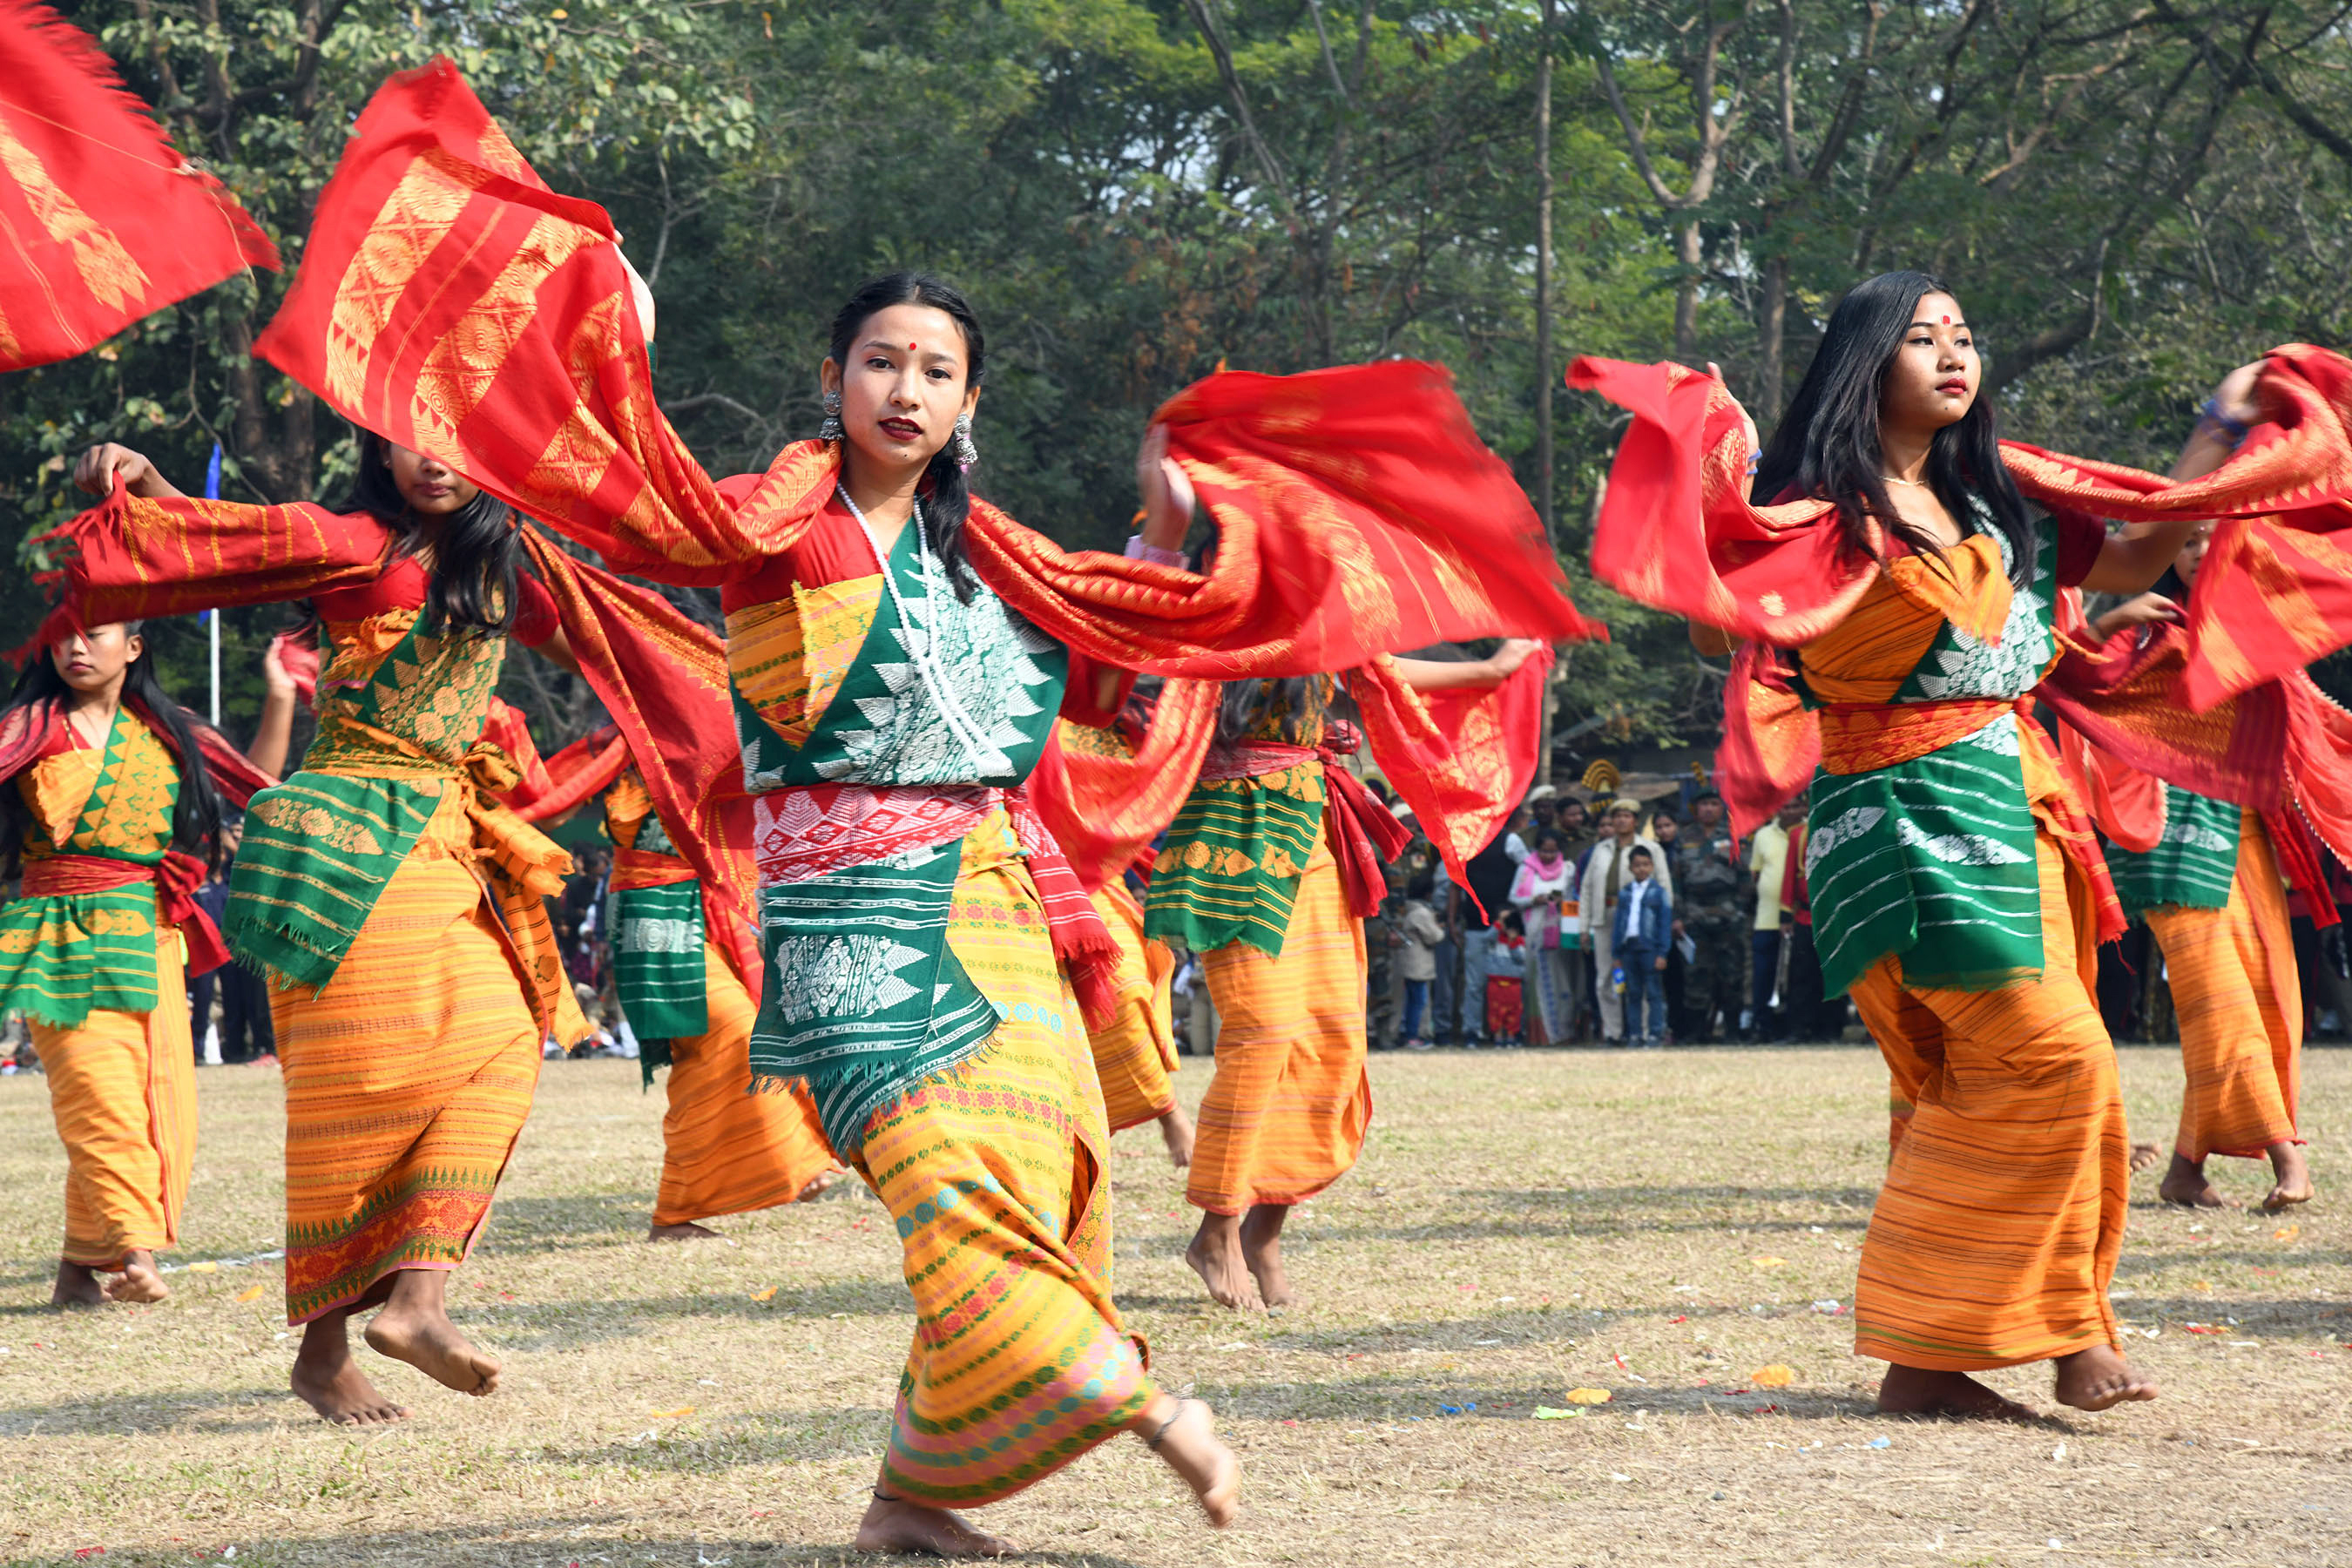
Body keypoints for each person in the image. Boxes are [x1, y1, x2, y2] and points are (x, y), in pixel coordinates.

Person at [1571, 270, 2322, 1418]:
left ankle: (2046, 1334)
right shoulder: (1827, 514)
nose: (1953, 355)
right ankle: (1944, 1355)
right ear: (1865, 365)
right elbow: (1711, 585)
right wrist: (1706, 443)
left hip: (2020, 815)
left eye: (1965, 336)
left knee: (2013, 1081)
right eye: (1922, 338)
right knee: (2055, 1062)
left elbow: (2129, 554)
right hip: (1905, 825)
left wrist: (2221, 433)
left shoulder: (1987, 506)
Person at [57, 433, 658, 1425]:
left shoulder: (512, 561)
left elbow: (612, 626)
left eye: (457, 435)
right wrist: (146, 482)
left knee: (505, 1044)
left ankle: (405, 1311)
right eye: (407, 436)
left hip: (443, 838)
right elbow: (226, 536)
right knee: (360, 1097)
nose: (432, 457)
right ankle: (340, 1344)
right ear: (378, 445)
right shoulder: (352, 541)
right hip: (345, 840)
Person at [1156, 650, 1537, 1309]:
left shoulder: (1322, 620)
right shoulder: (1215, 607)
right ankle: (1216, 1230)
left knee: (1331, 1048)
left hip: (1311, 837)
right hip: (1229, 840)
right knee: (1264, 1035)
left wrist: (1503, 662)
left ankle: (1262, 1234)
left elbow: (1386, 675)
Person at [1, 623, 279, 1308]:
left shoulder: (170, 731)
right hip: (54, 934)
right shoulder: (26, 729)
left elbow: (258, 788)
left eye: (93, 634)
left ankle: (75, 1272)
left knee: (157, 1103)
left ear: (133, 647)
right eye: (62, 636)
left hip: (151, 935)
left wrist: (280, 695)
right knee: (101, 1101)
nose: (75, 647)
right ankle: (135, 1250)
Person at [2085, 524, 2315, 1213]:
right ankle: (2285, 1151)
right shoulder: (2138, 628)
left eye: (2208, 539)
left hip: (2241, 833)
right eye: (2182, 541)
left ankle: (2185, 1167)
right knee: (2221, 999)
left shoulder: (2257, 629)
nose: (2194, 552)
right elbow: (2066, 682)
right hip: (2164, 837)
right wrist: (2108, 624)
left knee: (2267, 996)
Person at [585, 763, 845, 1238]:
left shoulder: (711, 750)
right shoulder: (623, 755)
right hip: (655, 921)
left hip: (711, 912)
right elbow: (556, 791)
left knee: (706, 1057)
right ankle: (797, 1159)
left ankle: (677, 1211)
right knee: (737, 1034)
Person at [1578, 798, 1673, 1045]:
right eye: (1617, 816)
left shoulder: (1651, 849)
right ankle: (1613, 1031)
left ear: (1636, 821)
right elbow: (1586, 889)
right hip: (1604, 916)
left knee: (1640, 976)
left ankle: (1640, 1031)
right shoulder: (1600, 850)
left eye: (1627, 816)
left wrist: (1666, 922)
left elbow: (1664, 887)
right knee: (1606, 977)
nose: (1621, 820)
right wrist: (1584, 926)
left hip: (1643, 923)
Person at [1673, 791, 1747, 1042]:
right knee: (1696, 975)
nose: (1708, 809)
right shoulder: (1683, 838)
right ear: (1696, 808)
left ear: (1721, 808)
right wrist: (1679, 915)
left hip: (1728, 916)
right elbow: (1676, 881)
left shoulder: (1733, 835)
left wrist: (1738, 909)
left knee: (1732, 975)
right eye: (1703, 803)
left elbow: (1745, 877)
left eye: (1714, 804)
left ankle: (1733, 1032)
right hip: (1694, 916)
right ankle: (1696, 1033)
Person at [1511, 828, 1581, 1045]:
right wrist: (1534, 899)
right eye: (1544, 851)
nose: (1548, 856)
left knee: (1566, 982)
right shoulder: (1526, 869)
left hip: (1562, 932)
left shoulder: (1568, 869)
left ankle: (1566, 1031)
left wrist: (1562, 903)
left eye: (1553, 852)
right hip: (1535, 934)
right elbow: (1514, 897)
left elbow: (1575, 899)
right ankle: (1543, 1035)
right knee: (1539, 983)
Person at [1747, 797, 1806, 1040]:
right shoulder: (1762, 835)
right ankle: (1762, 1027)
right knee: (1763, 976)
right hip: (1767, 918)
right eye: (1784, 807)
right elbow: (1755, 874)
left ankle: (1792, 1027)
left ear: (1804, 808)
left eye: (1795, 806)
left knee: (1796, 977)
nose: (1789, 811)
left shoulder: (1809, 830)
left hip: (1800, 917)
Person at [1612, 846, 1672, 1045]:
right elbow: (1618, 923)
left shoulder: (1658, 892)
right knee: (1633, 993)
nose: (1641, 869)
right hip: (1629, 947)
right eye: (1637, 865)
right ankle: (1635, 1034)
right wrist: (1616, 954)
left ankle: (1655, 1033)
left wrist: (1663, 952)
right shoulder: (1625, 893)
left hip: (1650, 948)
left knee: (1654, 992)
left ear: (1652, 866)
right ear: (1630, 868)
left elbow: (1664, 925)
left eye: (1646, 865)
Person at [1392, 877, 1445, 1049]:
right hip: (1418, 964)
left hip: (1409, 963)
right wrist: (1440, 928)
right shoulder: (1421, 913)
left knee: (1411, 1001)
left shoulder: (1409, 910)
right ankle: (1412, 1036)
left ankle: (1409, 1033)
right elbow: (1434, 937)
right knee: (1418, 1002)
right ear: (1428, 894)